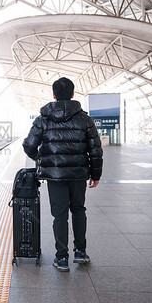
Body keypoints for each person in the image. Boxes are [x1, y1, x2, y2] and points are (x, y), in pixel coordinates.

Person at [23, 77, 103, 272]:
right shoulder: (85, 119)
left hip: (55, 176)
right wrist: (96, 174)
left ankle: (62, 258)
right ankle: (81, 252)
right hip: (78, 174)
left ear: (54, 95)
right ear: (73, 94)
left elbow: (29, 145)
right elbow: (95, 149)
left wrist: (40, 159)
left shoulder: (43, 119)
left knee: (59, 216)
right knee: (78, 210)